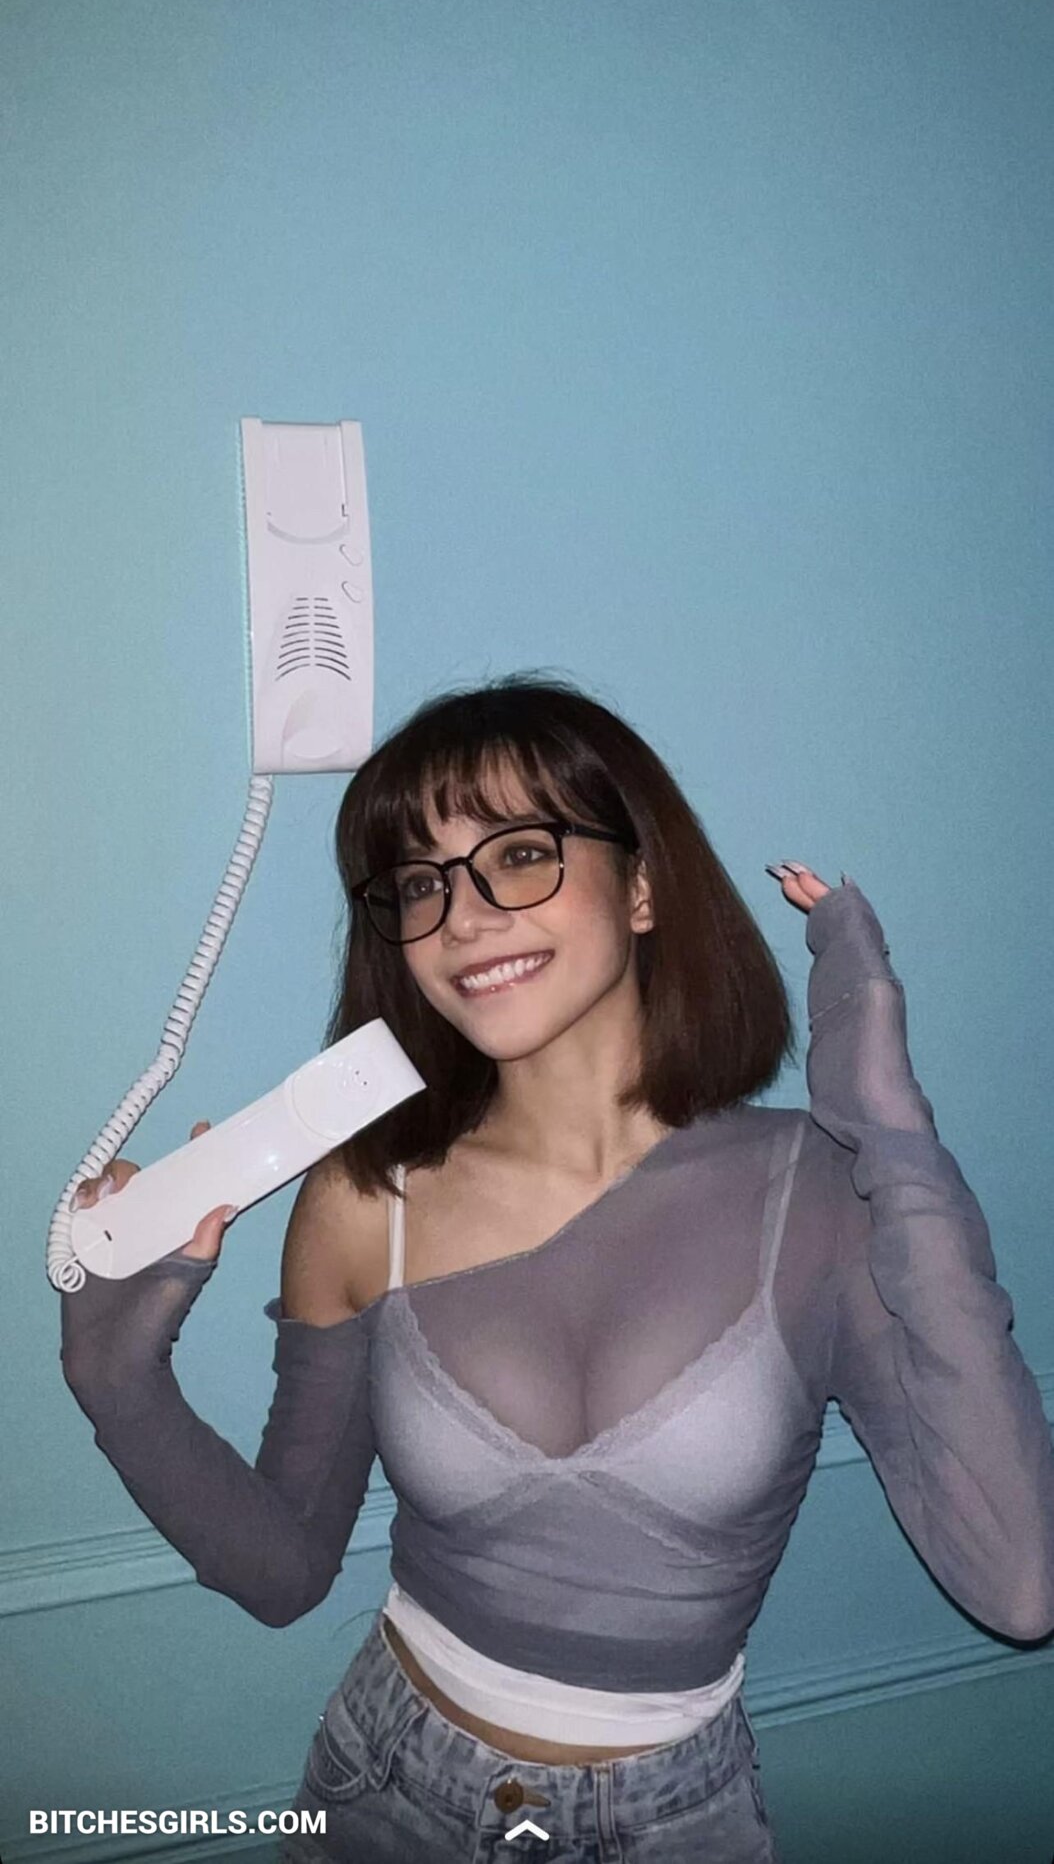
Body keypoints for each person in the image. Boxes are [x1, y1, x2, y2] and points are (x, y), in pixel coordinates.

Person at [61, 674, 1054, 1864]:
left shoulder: (819, 1194)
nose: (462, 917)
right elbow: (282, 1572)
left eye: (519, 854)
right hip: (382, 1789)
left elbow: (1018, 1584)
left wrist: (887, 1124)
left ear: (641, 887)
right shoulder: (363, 1200)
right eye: (418, 883)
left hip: (675, 1822)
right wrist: (117, 1380)